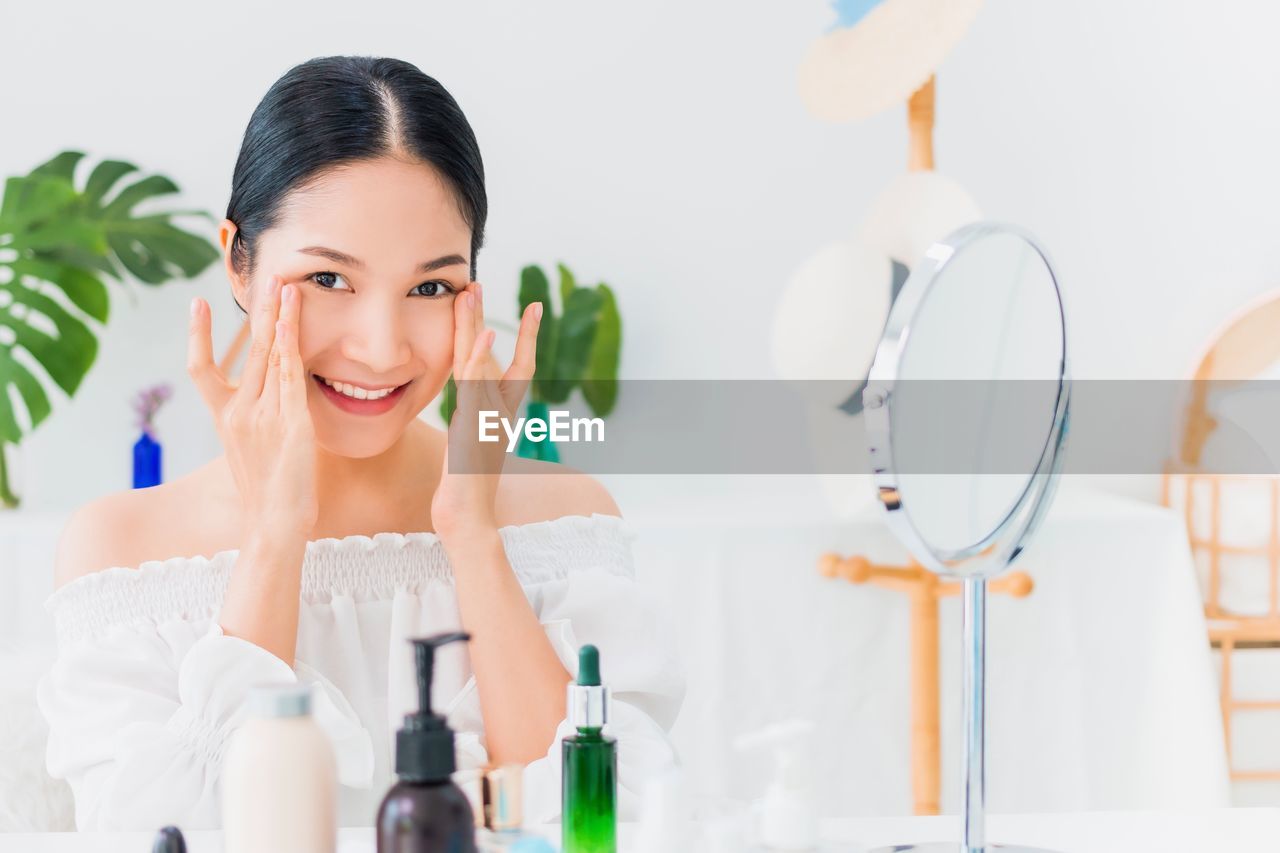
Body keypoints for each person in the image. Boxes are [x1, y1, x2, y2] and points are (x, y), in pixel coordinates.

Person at [35, 55, 683, 832]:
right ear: (239, 264)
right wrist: (277, 532)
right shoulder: (126, 552)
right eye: (330, 280)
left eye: (430, 287)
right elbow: (167, 833)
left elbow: (605, 828)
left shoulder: (565, 526)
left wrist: (472, 531)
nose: (381, 350)